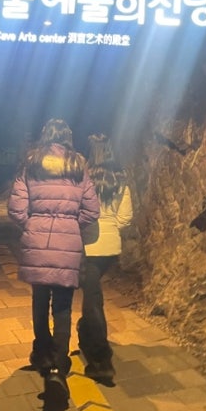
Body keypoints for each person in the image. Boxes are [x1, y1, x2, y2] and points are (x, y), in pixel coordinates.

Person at [7, 119, 100, 411]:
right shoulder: (79, 167)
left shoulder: (31, 164)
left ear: (45, 136)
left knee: (39, 300)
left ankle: (43, 353)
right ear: (68, 138)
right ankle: (59, 369)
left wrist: (32, 224)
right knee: (62, 308)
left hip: (36, 243)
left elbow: (16, 209)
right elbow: (92, 210)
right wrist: (70, 225)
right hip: (67, 246)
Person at [78, 133, 133, 386]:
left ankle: (102, 360)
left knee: (93, 302)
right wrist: (111, 227)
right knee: (92, 296)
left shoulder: (85, 181)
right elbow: (125, 218)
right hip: (110, 248)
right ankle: (87, 336)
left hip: (90, 247)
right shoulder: (121, 183)